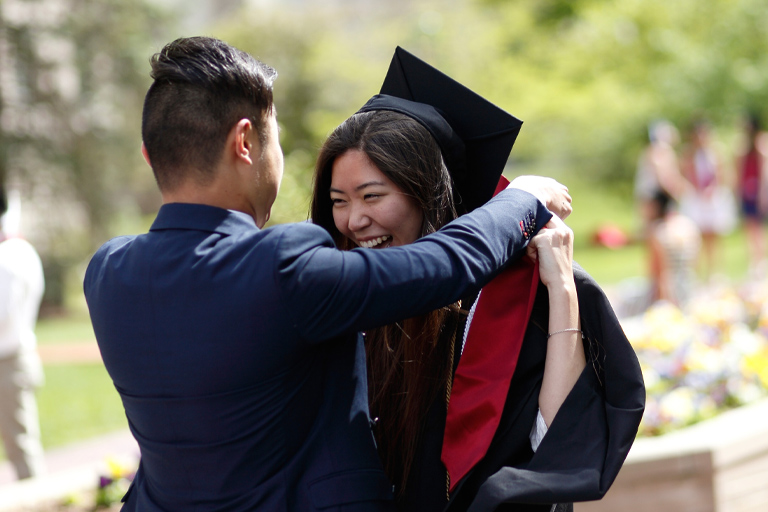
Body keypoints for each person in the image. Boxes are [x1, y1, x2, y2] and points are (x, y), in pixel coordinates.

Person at [83, 37, 573, 511]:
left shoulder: (107, 272)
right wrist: (524, 198)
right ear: (245, 141)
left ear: (150, 155)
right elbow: (443, 265)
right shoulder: (279, 267)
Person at [310, 47, 645, 511]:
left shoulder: (514, 292)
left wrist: (563, 289)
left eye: (372, 195)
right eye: (339, 200)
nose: (355, 220)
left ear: (426, 193)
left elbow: (557, 440)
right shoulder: (346, 296)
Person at [0, 186, 46, 480]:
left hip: (8, 361)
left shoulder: (9, 257)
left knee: (21, 446)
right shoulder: (22, 250)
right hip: (16, 356)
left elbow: (2, 315)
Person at [679, 119, 736, 280]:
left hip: (713, 198)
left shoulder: (716, 152)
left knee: (714, 236)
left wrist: (713, 189)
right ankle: (695, 273)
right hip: (696, 199)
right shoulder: (689, 153)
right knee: (695, 238)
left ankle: (714, 272)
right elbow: (683, 175)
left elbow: (722, 174)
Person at [647, 190, 701, 308]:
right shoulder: (689, 225)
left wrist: (663, 305)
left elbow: (658, 274)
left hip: (670, 294)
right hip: (690, 288)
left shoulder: (658, 231)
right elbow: (696, 264)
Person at [736, 112, 768, 275]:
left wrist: (763, 193)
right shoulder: (744, 143)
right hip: (747, 190)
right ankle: (754, 261)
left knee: (759, 227)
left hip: (758, 190)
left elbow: (764, 169)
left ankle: (761, 260)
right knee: (750, 226)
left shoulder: (761, 140)